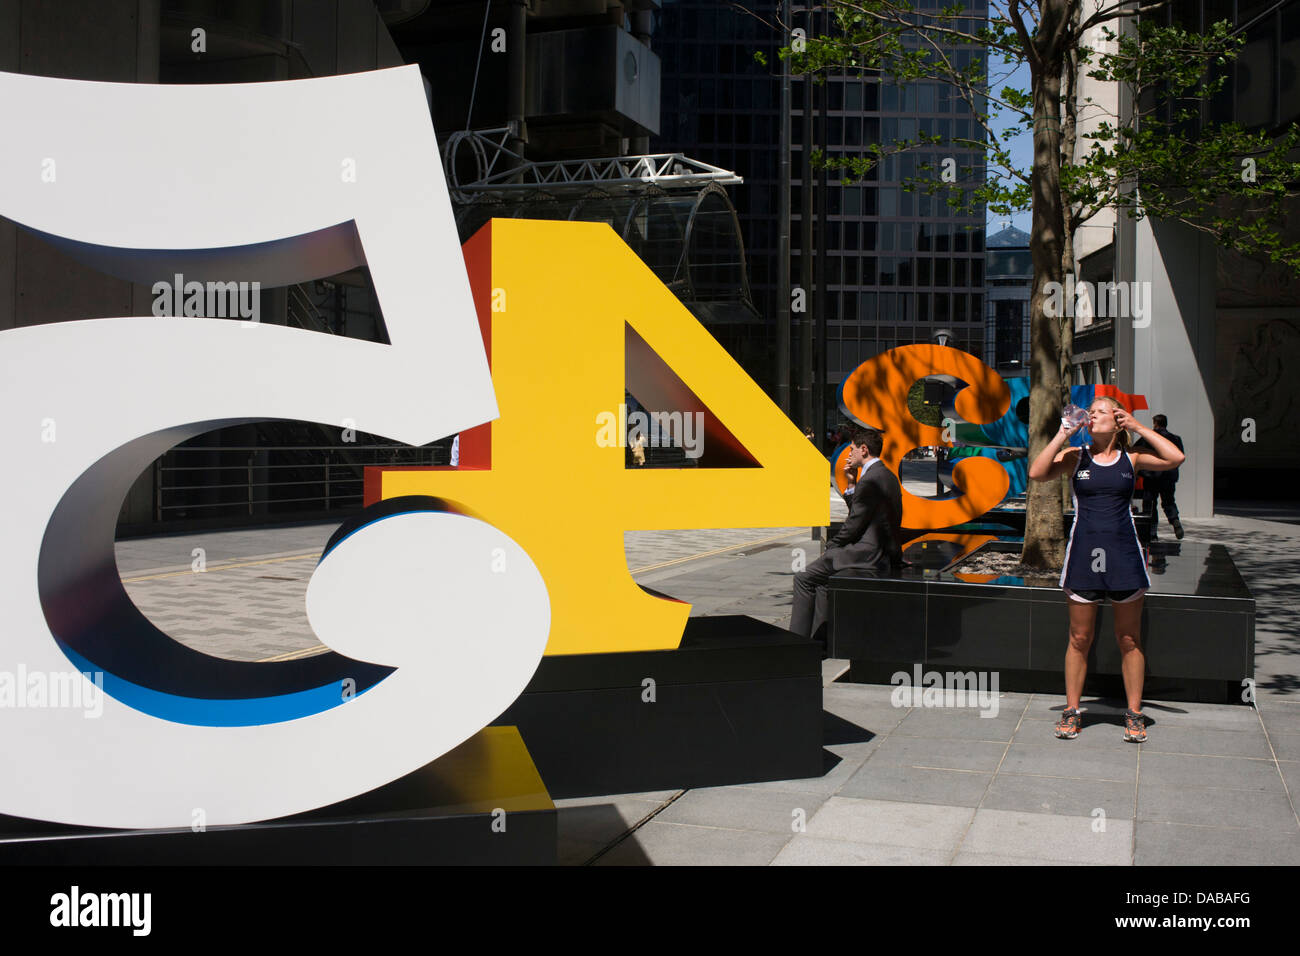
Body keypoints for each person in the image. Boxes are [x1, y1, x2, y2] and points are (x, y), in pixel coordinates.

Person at [1028, 396, 1185, 743]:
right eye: (1092, 412)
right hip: (1084, 553)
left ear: (1116, 421)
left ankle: (1134, 713)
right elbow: (1036, 472)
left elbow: (1176, 457)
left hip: (1123, 555)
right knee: (1080, 637)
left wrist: (1138, 426)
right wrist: (1062, 433)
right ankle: (1072, 711)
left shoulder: (1133, 458)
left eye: (1100, 412)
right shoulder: (1075, 456)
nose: (1093, 416)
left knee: (1129, 639)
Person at [790, 426, 904, 654]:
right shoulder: (886, 476)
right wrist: (851, 484)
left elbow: (853, 525)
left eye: (852, 449)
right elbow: (866, 515)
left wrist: (832, 545)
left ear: (864, 449)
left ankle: (795, 645)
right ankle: (819, 643)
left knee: (803, 579)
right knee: (822, 583)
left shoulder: (871, 480)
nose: (849, 454)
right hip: (878, 551)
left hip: (863, 554)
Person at [1135, 414, 1185, 540]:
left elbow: (1136, 451)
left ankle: (1152, 532)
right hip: (1168, 476)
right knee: (1169, 501)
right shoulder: (1175, 438)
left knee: (1150, 503)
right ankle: (1175, 521)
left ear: (1155, 424)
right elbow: (1179, 456)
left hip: (1152, 476)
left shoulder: (1149, 438)